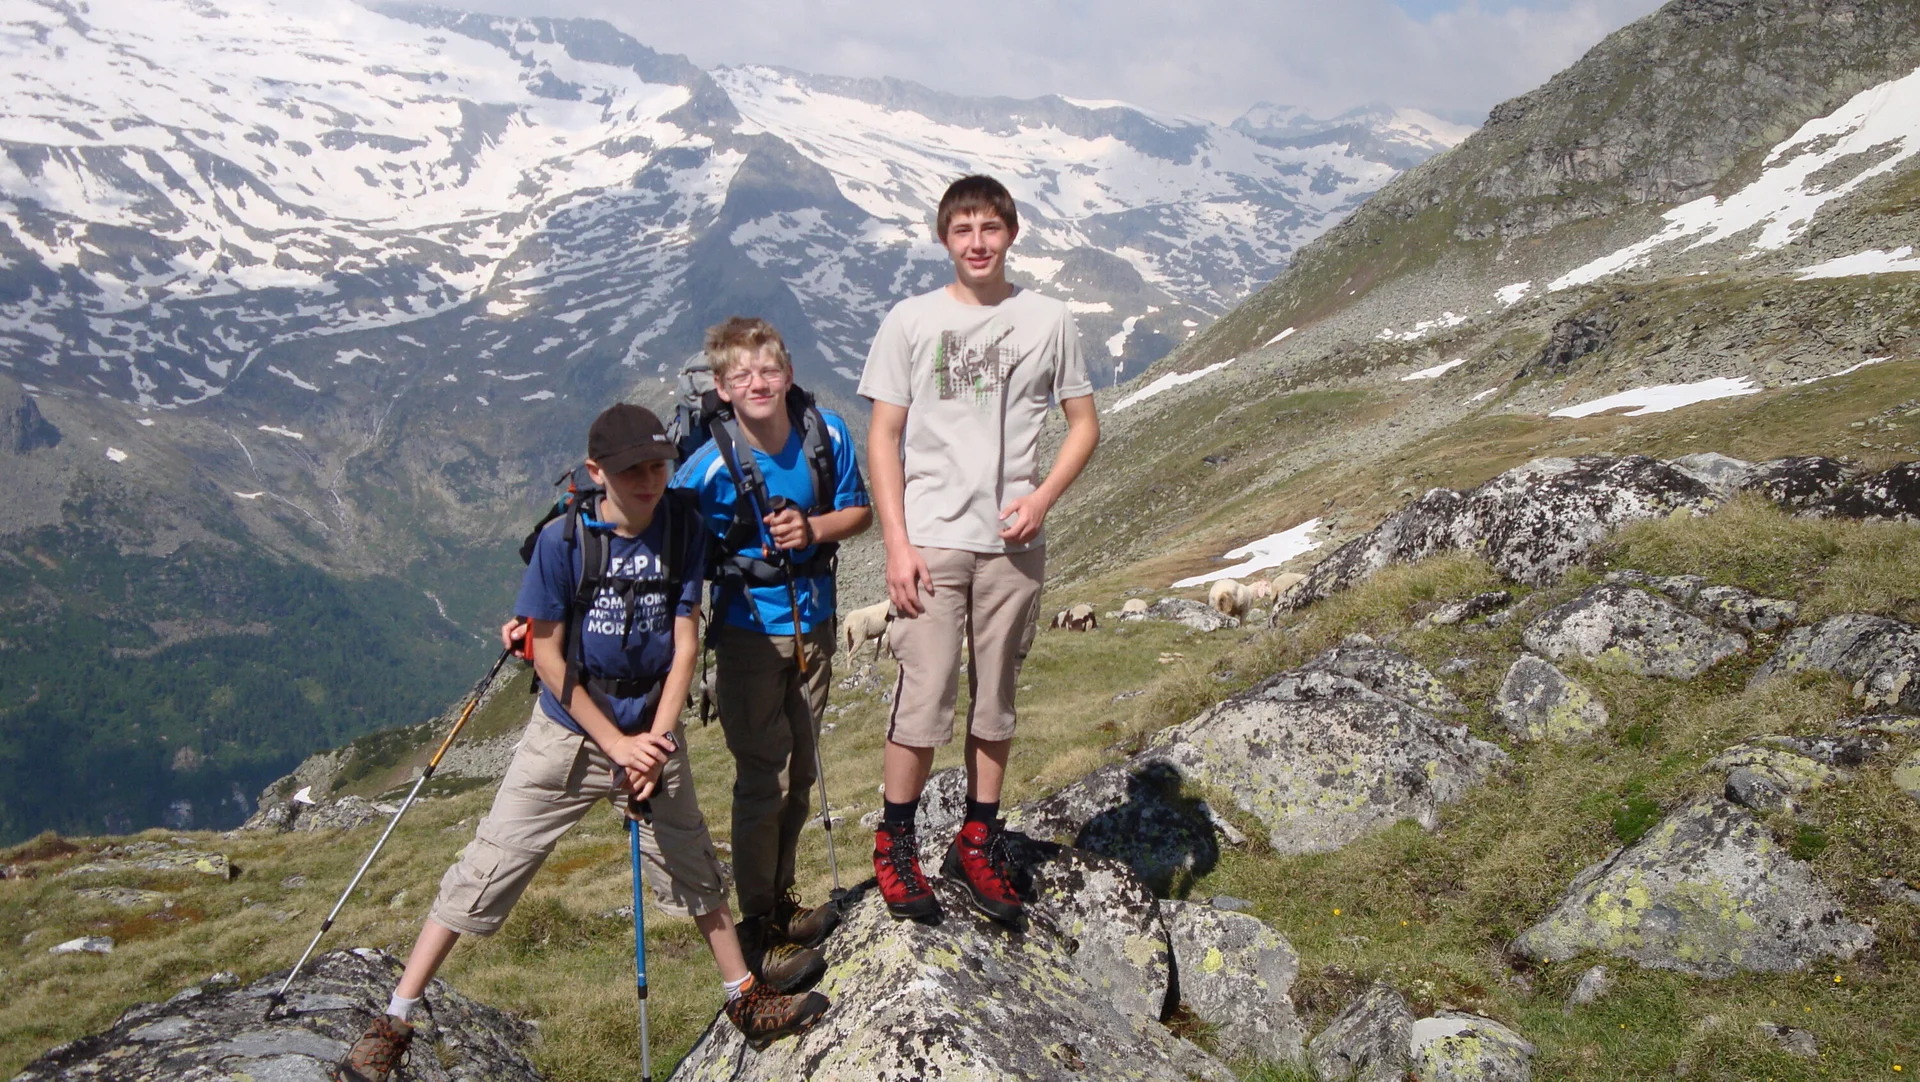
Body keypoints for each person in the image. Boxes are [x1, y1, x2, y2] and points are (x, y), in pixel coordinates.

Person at [336, 404, 827, 1082]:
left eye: (657, 465)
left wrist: (653, 743)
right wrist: (617, 747)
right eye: (631, 471)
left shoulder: (683, 526)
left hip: (652, 729)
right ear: (598, 473)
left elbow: (686, 641)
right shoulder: (563, 543)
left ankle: (744, 997)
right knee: (490, 864)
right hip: (569, 734)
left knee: (694, 867)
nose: (648, 480)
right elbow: (547, 655)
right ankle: (394, 1020)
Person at [856, 174, 1100, 924]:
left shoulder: (1049, 319)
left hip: (1010, 544)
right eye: (962, 230)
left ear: (1012, 233)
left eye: (990, 228)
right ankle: (895, 843)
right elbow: (884, 437)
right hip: (930, 540)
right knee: (923, 698)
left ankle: (978, 837)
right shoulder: (910, 320)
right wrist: (897, 544)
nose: (977, 243)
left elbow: (1084, 424)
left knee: (995, 698)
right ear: (943, 239)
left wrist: (1041, 498)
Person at [674, 317, 872, 980]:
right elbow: (666, 542)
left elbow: (859, 512)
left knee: (803, 772)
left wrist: (812, 528)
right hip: (747, 635)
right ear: (723, 389)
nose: (757, 384)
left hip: (814, 624)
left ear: (787, 373)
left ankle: (780, 900)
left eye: (768, 371)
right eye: (741, 376)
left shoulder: (827, 432)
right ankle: (757, 924)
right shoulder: (706, 467)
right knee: (768, 776)